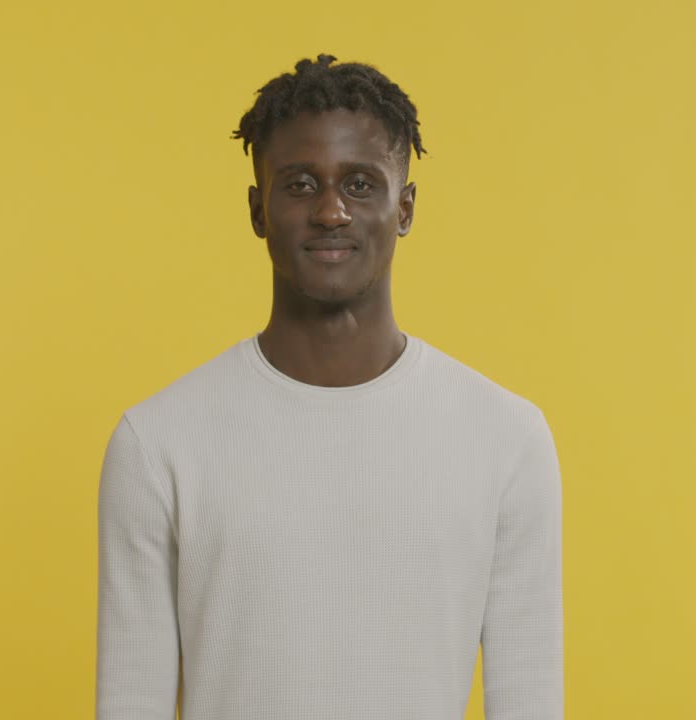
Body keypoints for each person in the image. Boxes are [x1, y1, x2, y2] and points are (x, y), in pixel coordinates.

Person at [96, 53, 564, 720]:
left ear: (405, 208)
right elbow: (130, 701)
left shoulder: (508, 439)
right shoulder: (157, 444)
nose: (332, 211)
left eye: (362, 185)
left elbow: (529, 697)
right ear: (259, 210)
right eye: (300, 184)